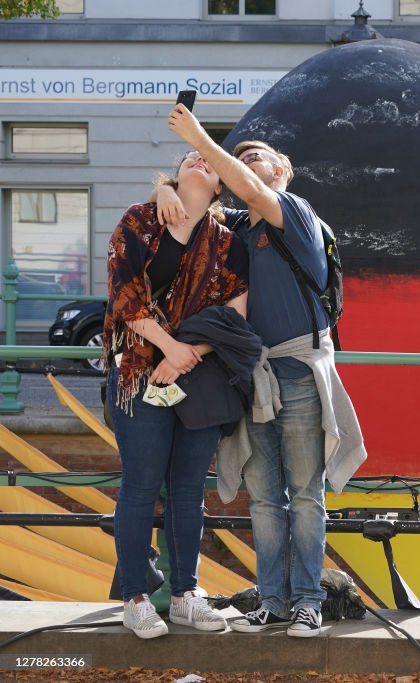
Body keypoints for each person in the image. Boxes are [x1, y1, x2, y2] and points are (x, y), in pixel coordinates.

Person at [164, 105, 367, 638]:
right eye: (243, 155)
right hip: (253, 374)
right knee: (263, 496)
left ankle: (307, 601)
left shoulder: (293, 211)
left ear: (283, 172)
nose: (248, 160)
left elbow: (250, 188)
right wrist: (164, 189)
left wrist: (200, 138)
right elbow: (183, 208)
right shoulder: (232, 230)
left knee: (304, 492)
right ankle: (273, 601)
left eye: (259, 157)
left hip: (296, 372)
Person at [104, 150, 249, 639]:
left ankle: (187, 594)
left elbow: (236, 316)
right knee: (141, 488)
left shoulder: (228, 243)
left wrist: (188, 352)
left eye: (209, 160)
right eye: (190, 155)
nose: (199, 159)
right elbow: (125, 297)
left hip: (198, 376)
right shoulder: (140, 221)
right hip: (137, 372)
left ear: (220, 188)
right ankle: (136, 599)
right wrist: (168, 347)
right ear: (174, 174)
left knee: (189, 492)